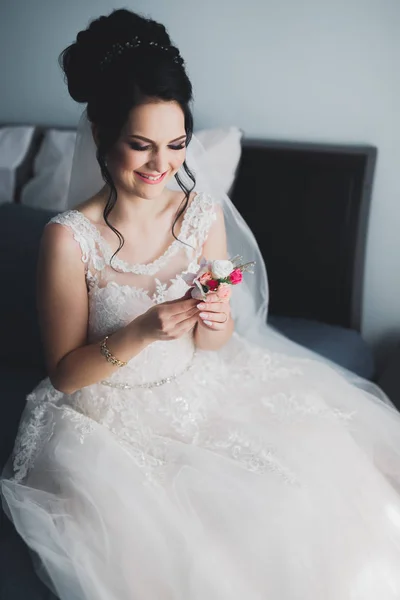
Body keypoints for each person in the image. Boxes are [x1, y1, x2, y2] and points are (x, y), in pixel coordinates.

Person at [2, 8, 400, 599]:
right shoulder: (69, 237)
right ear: (103, 137)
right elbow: (63, 374)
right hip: (106, 422)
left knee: (309, 494)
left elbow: (215, 341)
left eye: (177, 145)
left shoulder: (200, 214)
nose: (163, 166)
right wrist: (140, 332)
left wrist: (215, 321)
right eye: (141, 146)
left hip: (202, 390)